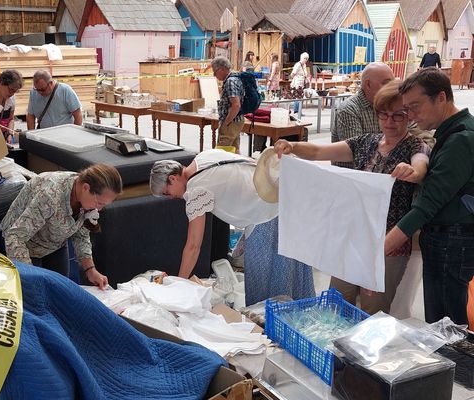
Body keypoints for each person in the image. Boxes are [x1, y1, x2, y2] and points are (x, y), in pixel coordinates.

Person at [274, 80, 430, 314]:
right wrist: (292, 147)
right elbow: (318, 151)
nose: (389, 122)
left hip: (388, 246)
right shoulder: (365, 142)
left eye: (398, 116)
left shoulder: (415, 146)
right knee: (336, 306)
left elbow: (421, 165)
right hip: (351, 240)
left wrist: (414, 172)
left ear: (409, 116)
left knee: (372, 313)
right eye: (384, 115)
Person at [149, 149, 315, 305]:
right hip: (283, 199)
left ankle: (278, 328)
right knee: (295, 273)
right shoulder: (204, 156)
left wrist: (179, 284)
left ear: (172, 178)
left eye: (166, 193)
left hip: (265, 215)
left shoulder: (196, 191)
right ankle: (303, 319)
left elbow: (193, 245)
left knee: (266, 286)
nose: (170, 198)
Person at [384, 68, 474, 327]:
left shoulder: (461, 139)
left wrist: (379, 252)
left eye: (415, 107)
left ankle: (458, 369)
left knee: (446, 328)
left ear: (441, 98)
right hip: (447, 238)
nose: (410, 116)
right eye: (407, 109)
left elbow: (425, 207)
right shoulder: (452, 131)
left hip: (452, 240)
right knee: (441, 323)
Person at [0, 164, 123, 288]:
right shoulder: (50, 196)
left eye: (104, 205)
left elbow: (81, 234)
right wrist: (28, 276)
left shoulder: (84, 197)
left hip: (54, 243)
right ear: (86, 188)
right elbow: (15, 237)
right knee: (34, 293)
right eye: (99, 203)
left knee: (60, 290)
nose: (99, 209)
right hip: (24, 246)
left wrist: (91, 270)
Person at [331, 62, 395, 167]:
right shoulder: (348, 110)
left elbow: (415, 136)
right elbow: (358, 153)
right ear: (368, 84)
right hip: (352, 177)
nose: (391, 88)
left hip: (379, 173)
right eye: (386, 83)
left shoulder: (389, 105)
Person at [212, 56, 244, 153]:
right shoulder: (236, 78)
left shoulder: (230, 81)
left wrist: (226, 122)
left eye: (215, 72)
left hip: (231, 121)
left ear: (221, 69)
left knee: (222, 152)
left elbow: (236, 105)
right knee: (234, 150)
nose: (214, 75)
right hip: (236, 120)